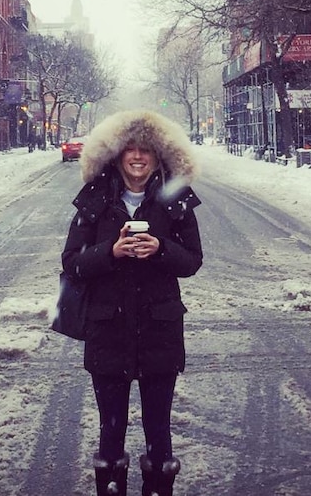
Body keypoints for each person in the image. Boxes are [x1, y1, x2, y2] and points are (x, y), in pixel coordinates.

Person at [61, 110, 203, 496]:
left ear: (160, 157)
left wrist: (159, 249)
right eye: (130, 150)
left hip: (161, 330)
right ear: (117, 156)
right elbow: (72, 264)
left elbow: (192, 260)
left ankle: (159, 488)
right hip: (108, 331)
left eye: (147, 151)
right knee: (111, 430)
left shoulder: (175, 200)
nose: (138, 157)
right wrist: (112, 251)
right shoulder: (94, 200)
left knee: (159, 429)